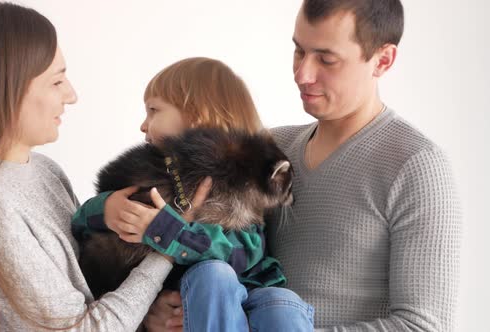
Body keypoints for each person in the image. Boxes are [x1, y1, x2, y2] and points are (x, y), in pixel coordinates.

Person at [146, 0, 462, 331]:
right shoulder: (268, 149)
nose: (303, 74)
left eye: (327, 59)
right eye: (299, 52)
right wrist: (158, 310)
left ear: (382, 60)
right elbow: (216, 253)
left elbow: (423, 326)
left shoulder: (416, 167)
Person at [0, 2, 175, 331]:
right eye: (57, 82)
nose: (71, 96)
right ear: (6, 88)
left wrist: (145, 315)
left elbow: (85, 290)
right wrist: (169, 245)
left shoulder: (45, 170)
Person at [71, 57, 314, 331]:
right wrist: (105, 209)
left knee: (281, 303)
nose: (143, 125)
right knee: (213, 276)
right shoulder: (152, 170)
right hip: (186, 295)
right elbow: (79, 223)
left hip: (243, 297)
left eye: (153, 110)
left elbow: (243, 254)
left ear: (198, 120)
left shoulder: (241, 183)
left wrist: (169, 231)